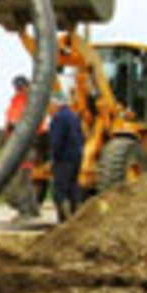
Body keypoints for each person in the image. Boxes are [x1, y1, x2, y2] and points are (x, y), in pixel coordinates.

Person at [2, 75, 40, 219]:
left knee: (22, 180)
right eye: (17, 87)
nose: (19, 90)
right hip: (18, 144)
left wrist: (14, 125)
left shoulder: (30, 103)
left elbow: (31, 124)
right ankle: (33, 210)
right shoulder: (18, 101)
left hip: (24, 146)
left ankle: (24, 212)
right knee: (26, 180)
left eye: (21, 87)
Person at [48, 92, 85, 221]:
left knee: (60, 191)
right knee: (73, 188)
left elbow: (56, 141)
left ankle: (65, 220)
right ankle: (77, 217)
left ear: (56, 104)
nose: (49, 109)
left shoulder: (58, 118)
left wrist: (54, 158)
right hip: (76, 158)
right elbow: (82, 137)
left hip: (63, 159)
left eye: (50, 105)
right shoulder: (74, 117)